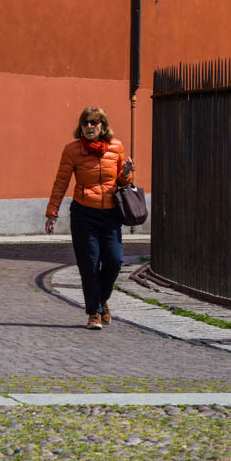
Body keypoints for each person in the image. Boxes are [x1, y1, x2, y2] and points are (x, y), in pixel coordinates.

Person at [45, 107, 135, 330]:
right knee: (89, 265)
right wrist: (52, 213)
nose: (90, 126)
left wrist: (126, 173)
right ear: (81, 127)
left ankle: (101, 299)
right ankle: (93, 313)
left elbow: (124, 182)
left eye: (94, 122)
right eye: (86, 123)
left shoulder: (116, 147)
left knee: (114, 261)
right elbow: (61, 182)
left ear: (103, 126)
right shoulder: (72, 150)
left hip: (111, 214)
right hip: (84, 214)